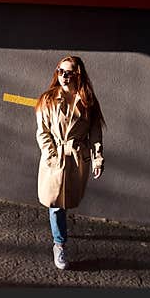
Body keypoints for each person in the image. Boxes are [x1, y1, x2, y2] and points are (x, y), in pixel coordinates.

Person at [35, 55, 105, 270]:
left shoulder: (87, 102)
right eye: (60, 71)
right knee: (55, 204)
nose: (63, 76)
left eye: (69, 73)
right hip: (54, 159)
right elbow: (43, 132)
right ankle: (59, 244)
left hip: (76, 159)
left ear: (78, 75)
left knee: (67, 202)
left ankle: (60, 236)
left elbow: (95, 134)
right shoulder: (47, 99)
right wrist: (52, 155)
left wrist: (97, 158)